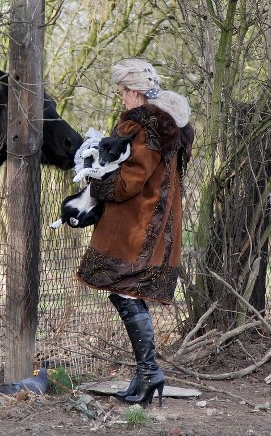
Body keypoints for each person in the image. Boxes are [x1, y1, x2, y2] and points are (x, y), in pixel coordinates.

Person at [76, 58, 194, 408]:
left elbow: (130, 181)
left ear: (135, 92)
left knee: (126, 294)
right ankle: (143, 375)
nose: (121, 99)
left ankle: (150, 372)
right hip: (153, 223)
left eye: (123, 92)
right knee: (127, 294)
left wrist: (96, 182)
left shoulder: (142, 126)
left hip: (137, 225)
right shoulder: (167, 124)